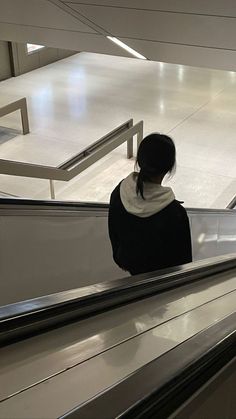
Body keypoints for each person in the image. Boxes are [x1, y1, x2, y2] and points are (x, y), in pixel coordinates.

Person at [108, 133, 192, 275]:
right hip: (164, 286)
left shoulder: (120, 192)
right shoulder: (175, 214)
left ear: (140, 161)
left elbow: (115, 238)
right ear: (169, 167)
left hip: (133, 273)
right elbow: (182, 264)